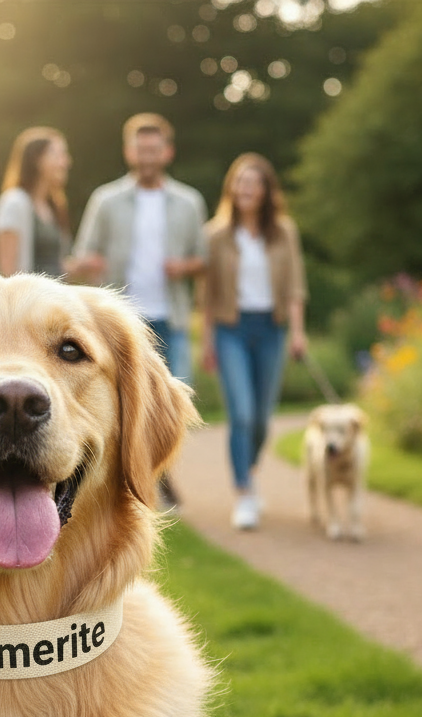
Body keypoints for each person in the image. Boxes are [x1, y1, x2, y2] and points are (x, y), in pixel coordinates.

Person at [200, 152, 308, 531]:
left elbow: (295, 284)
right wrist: (207, 342)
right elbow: (208, 293)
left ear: (265, 191)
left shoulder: (283, 231)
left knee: (262, 418)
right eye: (241, 182)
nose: (247, 189)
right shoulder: (214, 234)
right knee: (242, 414)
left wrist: (298, 332)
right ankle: (244, 492)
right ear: (232, 187)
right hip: (231, 328)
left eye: (255, 183)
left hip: (272, 328)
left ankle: (250, 465)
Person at [69, 113, 208, 385]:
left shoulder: (189, 202)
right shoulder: (105, 200)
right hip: (120, 318)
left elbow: (202, 259)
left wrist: (184, 267)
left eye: (154, 151)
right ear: (128, 152)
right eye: (141, 150)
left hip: (172, 318)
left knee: (176, 400)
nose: (147, 158)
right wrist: (88, 263)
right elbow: (84, 252)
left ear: (167, 152)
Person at [0, 127, 72, 278]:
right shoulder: (14, 203)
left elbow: (52, 265)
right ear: (37, 159)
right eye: (59, 155)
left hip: (54, 299)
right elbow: (8, 273)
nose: (66, 162)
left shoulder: (52, 206)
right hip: (31, 300)